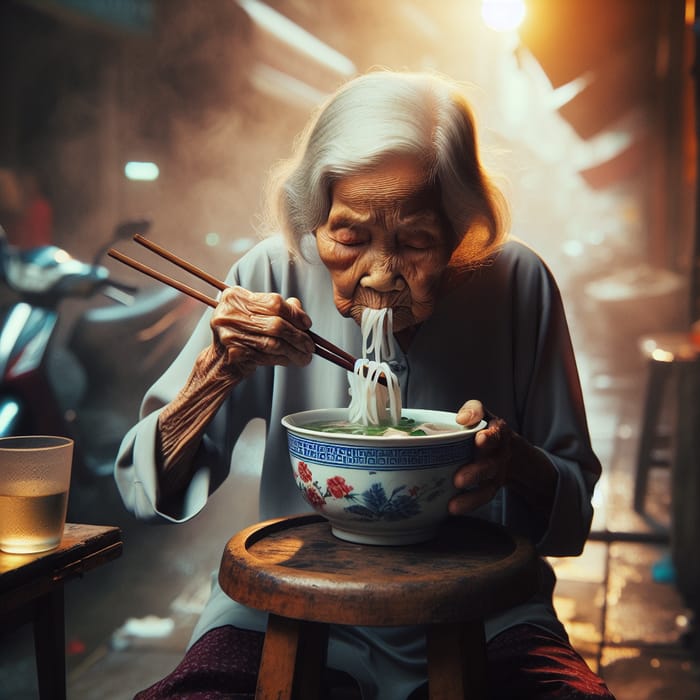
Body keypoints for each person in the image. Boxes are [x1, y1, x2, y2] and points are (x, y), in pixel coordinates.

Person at [116, 69, 615, 699]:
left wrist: (515, 462)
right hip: (288, 606)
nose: (380, 274)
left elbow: (573, 513)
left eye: (415, 241)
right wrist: (217, 372)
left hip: (485, 612)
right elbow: (144, 492)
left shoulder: (517, 282)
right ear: (315, 220)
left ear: (461, 232)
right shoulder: (272, 273)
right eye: (349, 236)